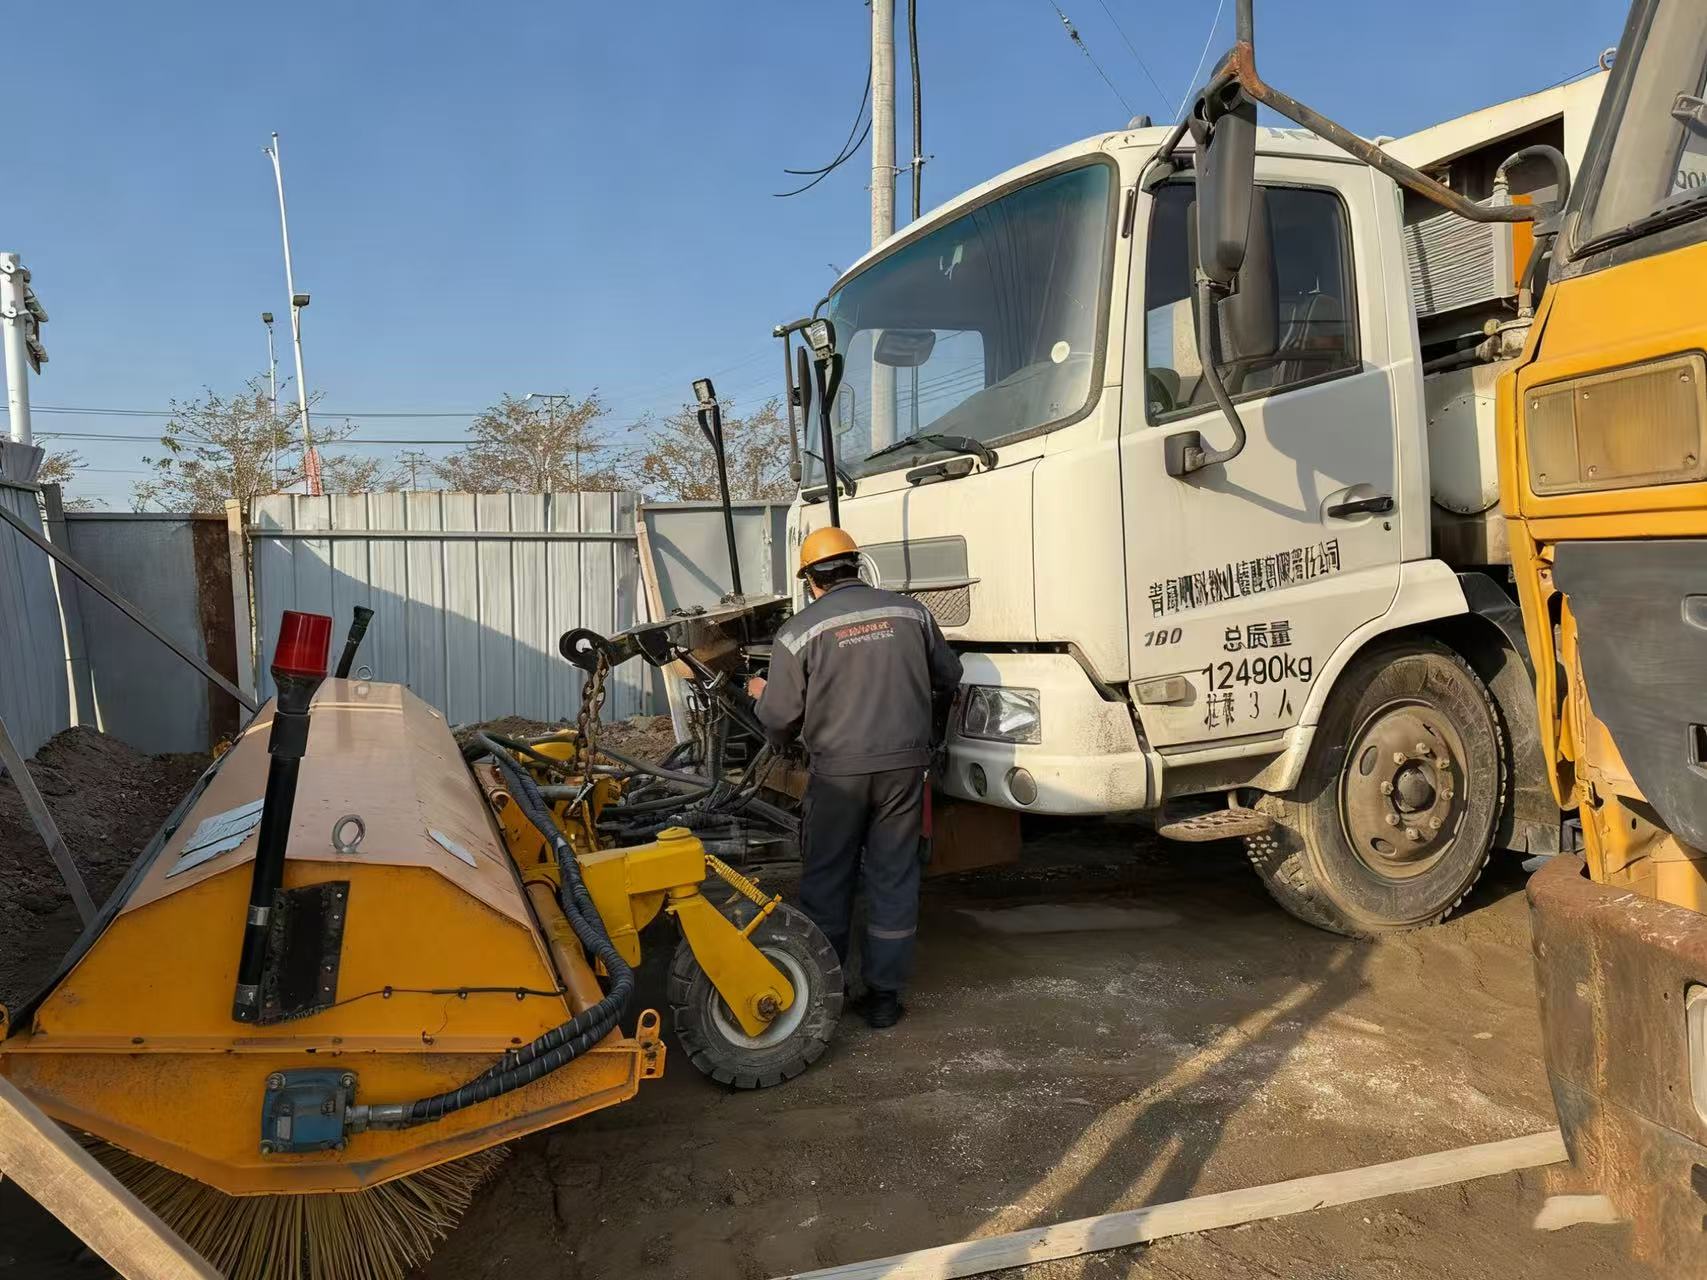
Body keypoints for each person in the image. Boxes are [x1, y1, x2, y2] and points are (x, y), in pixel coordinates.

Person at [748, 527, 962, 1029]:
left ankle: (825, 993)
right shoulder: (912, 613)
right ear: (857, 565)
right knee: (894, 877)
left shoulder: (799, 631)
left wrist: (761, 694)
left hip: (839, 776)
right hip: (904, 771)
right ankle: (884, 998)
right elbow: (949, 676)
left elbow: (779, 719)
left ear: (810, 580)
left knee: (828, 879)